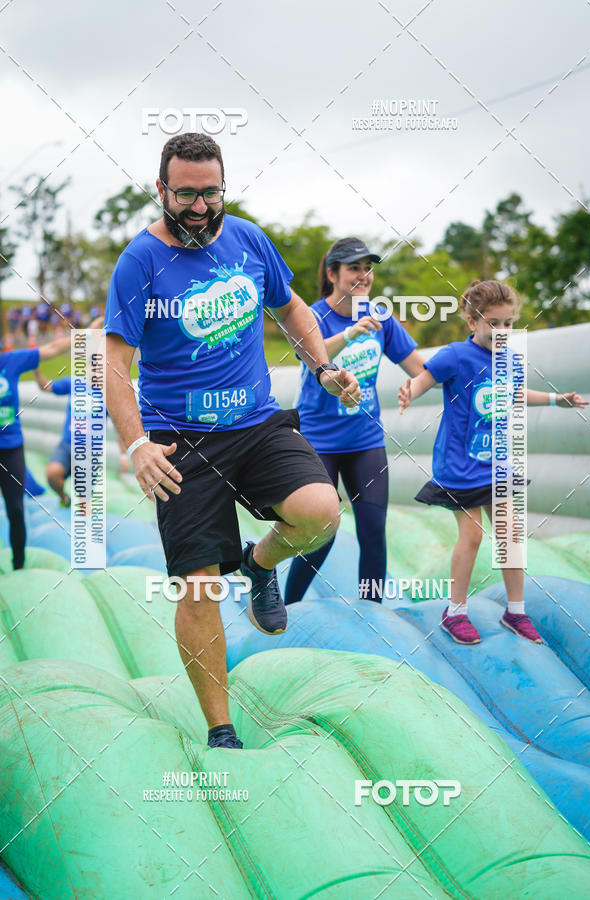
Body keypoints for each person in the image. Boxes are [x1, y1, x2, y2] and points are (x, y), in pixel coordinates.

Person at [104, 132, 361, 750]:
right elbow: (113, 362)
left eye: (210, 192)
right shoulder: (140, 262)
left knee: (322, 512)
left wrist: (322, 365)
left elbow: (294, 308)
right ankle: (222, 730)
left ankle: (258, 563)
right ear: (162, 189)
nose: (199, 206)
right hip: (180, 441)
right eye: (185, 193)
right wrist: (136, 444)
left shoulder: (248, 239)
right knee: (198, 586)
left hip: (255, 422)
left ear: (224, 187)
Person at [397, 279, 589, 644]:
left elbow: (515, 394)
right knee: (471, 536)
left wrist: (554, 400)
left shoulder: (510, 359)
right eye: (493, 323)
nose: (502, 331)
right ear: (473, 322)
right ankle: (455, 612)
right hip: (460, 465)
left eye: (508, 324)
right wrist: (411, 391)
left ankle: (515, 611)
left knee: (510, 535)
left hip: (497, 463)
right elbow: (426, 377)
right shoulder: (456, 355)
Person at [286, 237, 425, 604]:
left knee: (373, 530)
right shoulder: (312, 315)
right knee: (320, 533)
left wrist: (422, 384)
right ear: (333, 274)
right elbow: (308, 355)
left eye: (368, 268)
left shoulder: (382, 318)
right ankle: (289, 608)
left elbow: (419, 369)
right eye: (353, 268)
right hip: (319, 440)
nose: (363, 275)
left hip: (365, 440)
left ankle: (372, 611)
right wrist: (348, 333)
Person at [34, 319, 125, 506]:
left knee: (85, 503)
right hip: (67, 445)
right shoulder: (75, 382)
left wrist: (123, 455)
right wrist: (34, 367)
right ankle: (63, 497)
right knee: (52, 474)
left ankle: (84, 506)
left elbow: (119, 425)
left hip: (90, 452)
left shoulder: (108, 393)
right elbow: (46, 387)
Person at [0, 334, 71, 568]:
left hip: (11, 448)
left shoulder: (10, 361)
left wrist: (85, 335)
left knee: (16, 509)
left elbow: (51, 348)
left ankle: (18, 565)